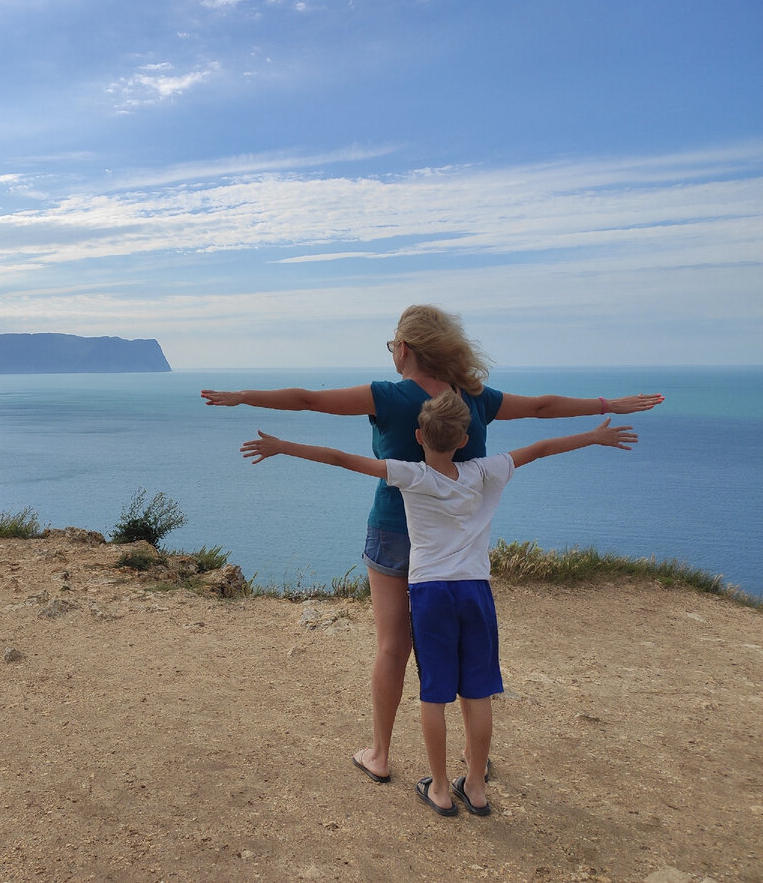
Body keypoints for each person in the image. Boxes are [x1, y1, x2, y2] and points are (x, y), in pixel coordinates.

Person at [201, 304, 663, 783]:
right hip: (454, 548)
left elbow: (308, 400)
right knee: (461, 650)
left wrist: (242, 397)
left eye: (392, 346)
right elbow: (543, 408)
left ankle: (380, 754)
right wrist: (607, 406)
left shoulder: (386, 395)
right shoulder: (475, 398)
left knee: (391, 646)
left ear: (404, 348)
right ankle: (472, 760)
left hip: (393, 532)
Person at [240, 390, 639, 816]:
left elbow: (341, 459)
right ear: (464, 439)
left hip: (431, 593)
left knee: (434, 694)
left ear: (418, 435)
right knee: (479, 690)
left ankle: (442, 790)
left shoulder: (411, 475)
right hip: (475, 591)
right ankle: (478, 789)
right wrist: (593, 438)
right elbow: (540, 448)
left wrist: (283, 447)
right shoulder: (486, 471)